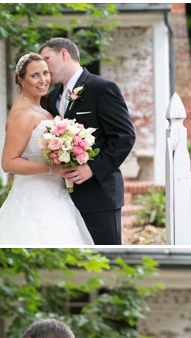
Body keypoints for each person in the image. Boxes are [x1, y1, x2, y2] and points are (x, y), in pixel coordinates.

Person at [0, 52, 95, 246]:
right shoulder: (23, 114)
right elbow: (8, 163)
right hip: (34, 198)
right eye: (34, 75)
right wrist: (54, 169)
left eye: (45, 73)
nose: (43, 80)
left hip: (55, 194)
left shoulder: (43, 111)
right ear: (21, 79)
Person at [40, 37, 136, 245]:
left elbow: (124, 136)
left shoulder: (102, 88)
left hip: (99, 194)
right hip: (62, 197)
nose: (43, 67)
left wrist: (92, 168)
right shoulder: (52, 97)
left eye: (46, 59)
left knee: (104, 254)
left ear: (63, 54)